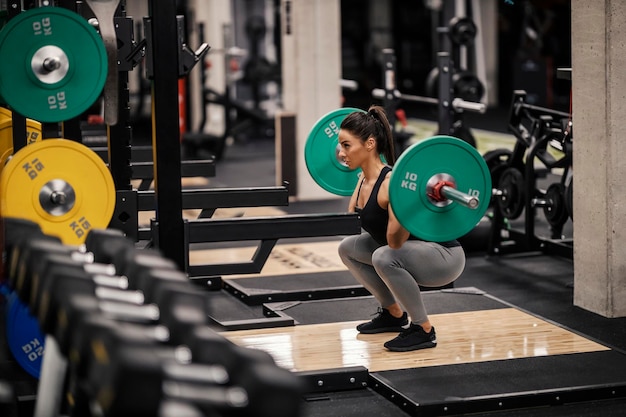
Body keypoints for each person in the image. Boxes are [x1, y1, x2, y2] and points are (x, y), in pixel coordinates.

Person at [337, 105, 466, 352]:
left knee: (384, 256)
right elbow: (350, 221)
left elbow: (394, 243)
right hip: (410, 251)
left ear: (370, 144)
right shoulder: (364, 178)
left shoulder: (391, 184)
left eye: (346, 145)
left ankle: (423, 329)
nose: (341, 153)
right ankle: (393, 314)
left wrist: (403, 206)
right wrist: (359, 183)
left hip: (443, 256)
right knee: (347, 248)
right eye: (341, 146)